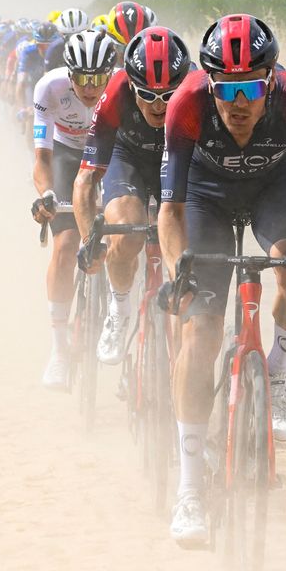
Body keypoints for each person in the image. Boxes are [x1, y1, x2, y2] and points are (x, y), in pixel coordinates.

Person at [158, 14, 286, 546]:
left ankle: (281, 369)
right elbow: (170, 213)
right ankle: (190, 489)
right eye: (225, 89)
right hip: (207, 197)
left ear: (271, 81)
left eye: (249, 88)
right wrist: (180, 273)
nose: (236, 103)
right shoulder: (185, 105)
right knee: (197, 336)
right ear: (209, 85)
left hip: (275, 186)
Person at [74, 26, 192, 365]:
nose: (158, 106)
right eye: (147, 94)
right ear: (130, 85)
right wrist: (89, 243)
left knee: (190, 249)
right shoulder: (115, 93)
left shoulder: (198, 91)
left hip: (179, 155)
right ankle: (120, 306)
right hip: (129, 159)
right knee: (125, 232)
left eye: (169, 96)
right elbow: (85, 179)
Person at [29, 30, 120, 389]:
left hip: (109, 155)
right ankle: (59, 351)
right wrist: (48, 193)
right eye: (83, 78)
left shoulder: (121, 89)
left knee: (128, 237)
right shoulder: (48, 88)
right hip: (67, 154)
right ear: (69, 74)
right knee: (66, 246)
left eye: (99, 78)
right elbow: (42, 157)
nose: (91, 87)